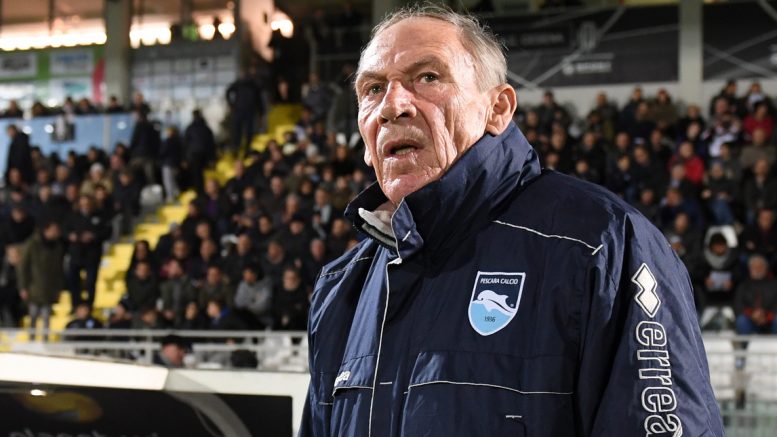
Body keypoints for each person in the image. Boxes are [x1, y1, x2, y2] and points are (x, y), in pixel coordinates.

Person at [300, 6, 723, 437]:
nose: (392, 106)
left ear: (498, 108)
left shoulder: (602, 244)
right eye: (373, 89)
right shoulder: (341, 289)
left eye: (427, 77)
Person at [17, 221, 65, 341]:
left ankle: (45, 340)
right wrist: (23, 286)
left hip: (49, 289)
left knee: (46, 316)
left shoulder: (57, 246)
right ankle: (31, 340)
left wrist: (59, 288)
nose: (56, 233)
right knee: (33, 315)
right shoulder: (32, 244)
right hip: (33, 288)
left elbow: (59, 269)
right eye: (54, 230)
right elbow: (23, 266)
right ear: (46, 230)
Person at [734, 255, 777, 334]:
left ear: (766, 269)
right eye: (754, 267)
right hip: (750, 319)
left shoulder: (774, 284)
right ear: (750, 269)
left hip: (770, 319)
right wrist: (752, 314)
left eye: (760, 267)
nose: (758, 269)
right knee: (741, 320)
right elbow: (738, 304)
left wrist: (766, 315)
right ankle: (744, 342)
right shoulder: (743, 286)